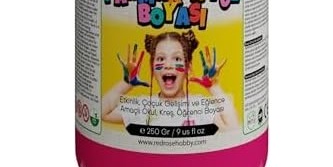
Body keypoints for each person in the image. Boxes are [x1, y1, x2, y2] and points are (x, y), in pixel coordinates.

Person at [101, 30, 239, 130]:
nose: (168, 65)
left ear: (188, 68)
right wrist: (126, 83)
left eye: (177, 58)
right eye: (161, 58)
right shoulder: (142, 106)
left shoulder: (200, 106)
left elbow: (232, 127)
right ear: (152, 68)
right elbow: (100, 112)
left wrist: (213, 86)